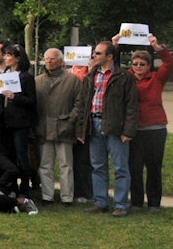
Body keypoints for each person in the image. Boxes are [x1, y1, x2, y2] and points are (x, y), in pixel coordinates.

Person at [77, 40, 139, 216]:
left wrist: (128, 130)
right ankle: (101, 202)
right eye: (94, 53)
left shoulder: (124, 76)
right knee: (98, 166)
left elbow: (132, 106)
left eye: (98, 53)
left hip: (115, 127)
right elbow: (83, 104)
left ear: (110, 56)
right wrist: (81, 129)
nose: (94, 56)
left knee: (120, 167)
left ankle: (120, 204)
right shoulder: (92, 75)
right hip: (94, 124)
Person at [118, 33, 171, 212]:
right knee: (135, 167)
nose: (138, 67)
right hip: (134, 129)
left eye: (142, 64)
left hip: (155, 129)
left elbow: (169, 63)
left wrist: (157, 47)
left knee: (154, 166)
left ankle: (154, 203)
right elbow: (113, 66)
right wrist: (115, 45)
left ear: (149, 66)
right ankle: (137, 202)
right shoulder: (126, 78)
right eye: (135, 64)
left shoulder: (157, 78)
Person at [35, 47, 81, 206]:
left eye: (52, 58)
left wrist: (70, 120)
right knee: (45, 165)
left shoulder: (73, 80)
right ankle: (47, 196)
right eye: (46, 58)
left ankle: (67, 197)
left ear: (62, 61)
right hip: (44, 128)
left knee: (66, 165)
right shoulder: (38, 80)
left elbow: (79, 103)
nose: (49, 61)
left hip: (64, 128)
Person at [0, 44, 36, 195]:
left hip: (20, 122)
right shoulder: (4, 75)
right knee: (9, 155)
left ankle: (25, 188)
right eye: (4, 55)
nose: (5, 58)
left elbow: (32, 101)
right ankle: (10, 186)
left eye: (8, 55)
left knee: (21, 156)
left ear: (17, 58)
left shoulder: (26, 77)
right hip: (6, 121)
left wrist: (15, 97)